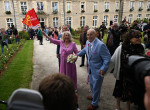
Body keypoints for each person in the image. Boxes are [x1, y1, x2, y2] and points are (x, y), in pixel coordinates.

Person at [108, 29, 144, 110]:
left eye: (140, 36)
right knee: (119, 92)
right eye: (137, 36)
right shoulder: (122, 47)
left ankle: (127, 108)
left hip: (133, 75)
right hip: (122, 73)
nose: (139, 38)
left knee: (129, 93)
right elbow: (113, 60)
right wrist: (104, 70)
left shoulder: (141, 47)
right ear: (130, 38)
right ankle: (118, 107)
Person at [78, 29, 111, 110]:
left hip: (98, 70)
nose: (89, 36)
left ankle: (95, 104)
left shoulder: (100, 45)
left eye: (91, 34)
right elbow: (85, 50)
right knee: (92, 84)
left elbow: (107, 58)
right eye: (88, 34)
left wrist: (103, 68)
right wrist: (77, 55)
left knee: (96, 87)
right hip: (90, 68)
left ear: (96, 34)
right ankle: (94, 97)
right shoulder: (87, 42)